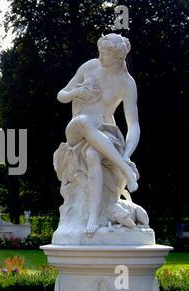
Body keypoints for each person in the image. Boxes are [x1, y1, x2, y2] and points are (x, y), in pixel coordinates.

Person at [56, 33, 140, 234]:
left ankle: (92, 219)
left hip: (106, 133)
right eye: (100, 52)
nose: (100, 57)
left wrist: (126, 154)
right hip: (77, 130)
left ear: (117, 57)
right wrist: (76, 92)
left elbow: (134, 125)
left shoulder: (127, 83)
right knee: (84, 122)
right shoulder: (90, 66)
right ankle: (125, 171)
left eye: (104, 54)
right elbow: (62, 95)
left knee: (93, 155)